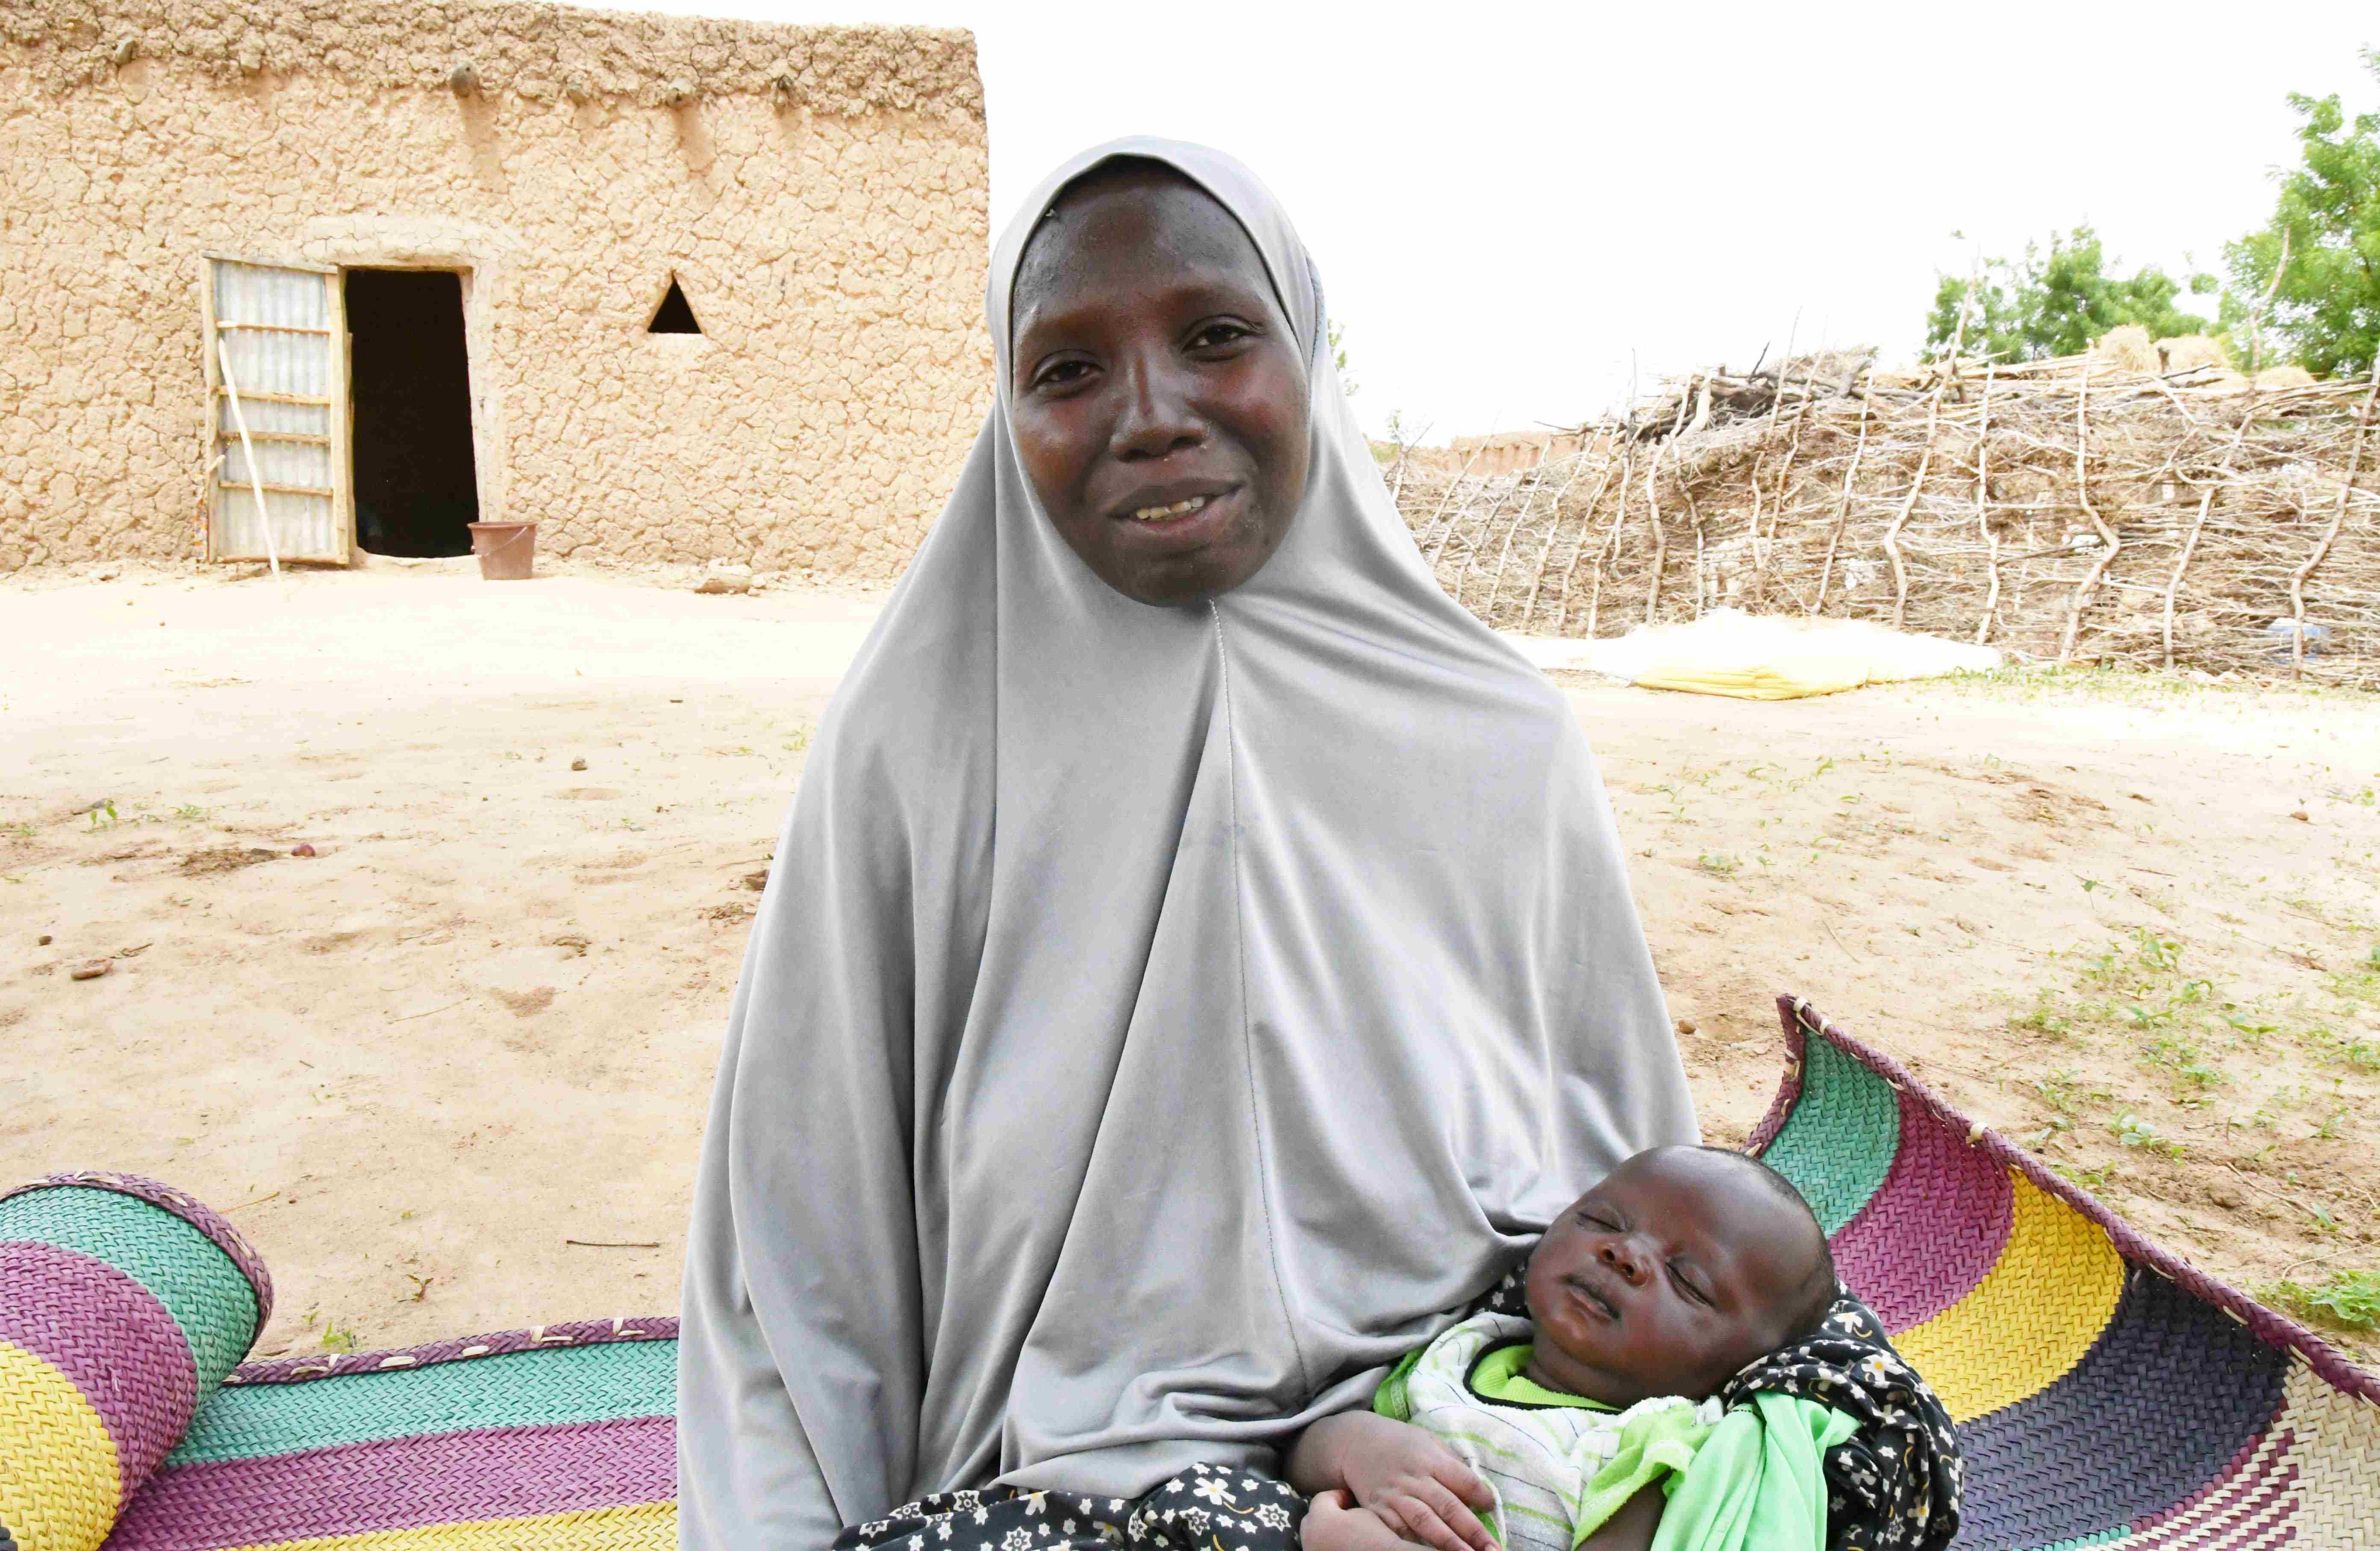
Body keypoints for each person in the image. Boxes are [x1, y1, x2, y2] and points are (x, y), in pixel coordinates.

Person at [675, 136, 1695, 1551]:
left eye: (1215, 336)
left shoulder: (1495, 734)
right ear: (1004, 405)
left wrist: (1588, 1423)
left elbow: (1637, 1176)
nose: (1151, 413)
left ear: (1308, 348)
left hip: (1471, 1401)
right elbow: (798, 1234)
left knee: (1857, 1425)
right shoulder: (916, 745)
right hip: (1098, 1465)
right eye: (1067, 367)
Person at [1289, 1147, 1858, 1551]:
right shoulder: (1463, 1350)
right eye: (1603, 1220)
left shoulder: (1650, 1450)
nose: (1624, 1252)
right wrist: (1357, 1447)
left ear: (1741, 1364)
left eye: (1687, 1282)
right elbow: (1300, 1451)